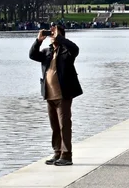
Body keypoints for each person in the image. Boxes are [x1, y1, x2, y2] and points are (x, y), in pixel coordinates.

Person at [29, 24, 82, 166]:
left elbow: (75, 48)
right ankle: (57, 152)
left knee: (64, 125)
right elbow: (32, 55)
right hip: (49, 95)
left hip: (63, 95)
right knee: (55, 126)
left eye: (55, 33)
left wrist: (59, 37)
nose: (52, 36)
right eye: (51, 34)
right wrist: (38, 40)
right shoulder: (47, 52)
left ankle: (67, 155)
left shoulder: (67, 52)